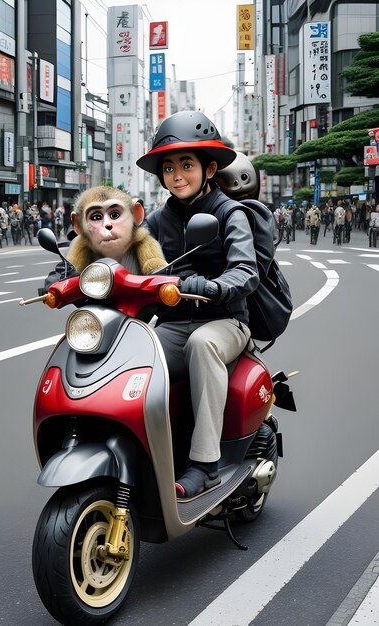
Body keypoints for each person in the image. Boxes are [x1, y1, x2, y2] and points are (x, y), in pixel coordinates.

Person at [136, 110, 260, 498]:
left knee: (201, 345)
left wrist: (210, 287)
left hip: (225, 323)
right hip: (174, 323)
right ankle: (143, 451)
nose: (176, 175)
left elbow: (245, 272)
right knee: (136, 353)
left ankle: (205, 465)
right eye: (169, 167)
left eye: (186, 165)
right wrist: (73, 271)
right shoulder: (157, 220)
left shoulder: (229, 213)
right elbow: (124, 254)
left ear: (208, 170)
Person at [43, 185, 166, 289]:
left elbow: (157, 268)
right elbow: (67, 272)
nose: (107, 224)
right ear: (78, 225)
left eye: (115, 214)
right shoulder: (82, 245)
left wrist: (163, 276)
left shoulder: (143, 242)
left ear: (136, 214)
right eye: (96, 217)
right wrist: (55, 283)